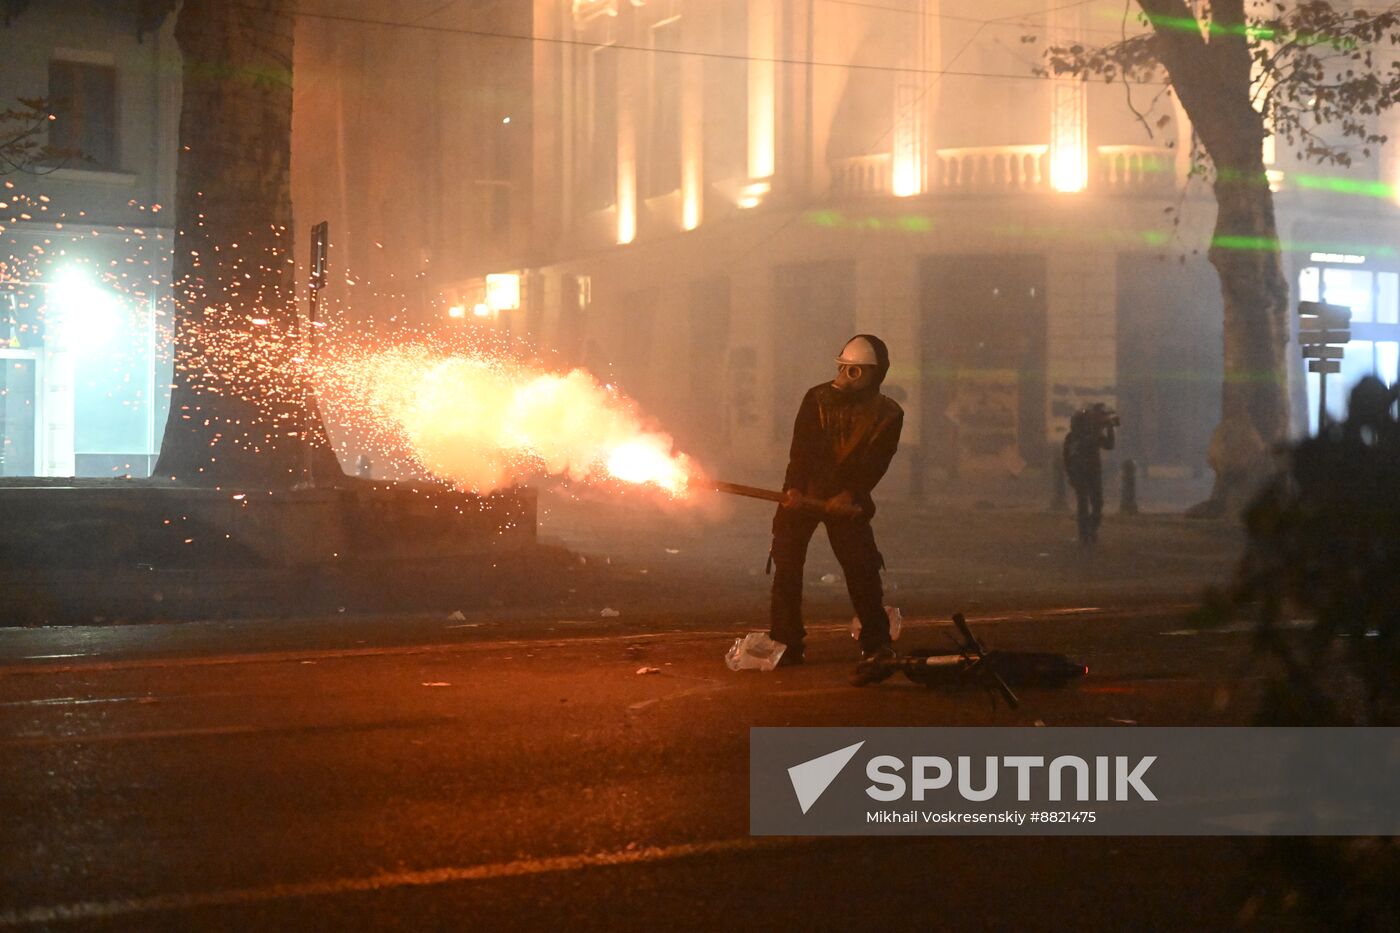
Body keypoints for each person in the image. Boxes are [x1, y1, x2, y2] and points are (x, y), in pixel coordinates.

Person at [768, 334, 904, 684]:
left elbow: (876, 462)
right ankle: (787, 642)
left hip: (847, 501)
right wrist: (795, 489)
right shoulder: (817, 398)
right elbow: (802, 450)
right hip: (805, 493)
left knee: (862, 568)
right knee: (786, 563)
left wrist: (852, 493)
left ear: (876, 374)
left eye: (855, 371)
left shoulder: (888, 414)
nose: (846, 377)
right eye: (843, 369)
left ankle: (877, 642)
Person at [1063, 404, 1117, 544]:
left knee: (1096, 503)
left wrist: (1109, 428)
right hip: (1082, 473)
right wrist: (1071, 475)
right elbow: (1067, 459)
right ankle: (1085, 533)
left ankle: (1090, 529)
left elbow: (1109, 445)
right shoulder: (1074, 438)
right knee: (1085, 503)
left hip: (1091, 472)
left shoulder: (1091, 435)